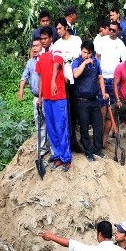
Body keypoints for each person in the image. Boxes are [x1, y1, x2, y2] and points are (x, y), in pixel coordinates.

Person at [36, 26, 72, 172]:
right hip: (47, 99)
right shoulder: (40, 56)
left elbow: (57, 65)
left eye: (46, 38)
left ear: (51, 38)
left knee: (61, 127)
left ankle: (66, 158)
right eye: (41, 39)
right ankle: (57, 156)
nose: (43, 41)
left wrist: (52, 81)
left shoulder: (56, 49)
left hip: (58, 97)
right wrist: (40, 97)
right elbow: (39, 77)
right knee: (51, 129)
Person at [72, 40, 107, 161]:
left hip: (94, 99)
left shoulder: (96, 63)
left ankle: (97, 149)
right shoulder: (77, 62)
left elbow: (100, 78)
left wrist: (103, 92)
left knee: (98, 126)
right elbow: (75, 74)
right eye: (83, 52)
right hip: (82, 101)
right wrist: (85, 62)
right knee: (84, 127)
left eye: (87, 53)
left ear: (92, 52)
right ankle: (88, 151)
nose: (85, 54)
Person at [53, 18, 84, 154]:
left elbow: (81, 57)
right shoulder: (57, 44)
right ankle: (70, 141)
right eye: (57, 29)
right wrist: (62, 77)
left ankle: (79, 139)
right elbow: (56, 65)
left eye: (60, 28)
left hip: (77, 80)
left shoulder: (76, 40)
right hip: (64, 82)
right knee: (67, 111)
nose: (58, 31)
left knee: (77, 111)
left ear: (66, 27)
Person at [96, 21, 126, 149]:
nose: (111, 31)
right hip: (102, 79)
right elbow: (97, 57)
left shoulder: (120, 44)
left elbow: (125, 62)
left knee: (112, 110)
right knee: (101, 109)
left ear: (118, 31)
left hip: (115, 80)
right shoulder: (102, 41)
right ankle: (99, 136)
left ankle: (104, 138)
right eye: (110, 29)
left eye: (114, 30)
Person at [19, 38, 51, 159]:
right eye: (33, 46)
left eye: (37, 45)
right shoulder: (30, 62)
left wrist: (42, 97)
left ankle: (53, 148)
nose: (35, 48)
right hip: (35, 97)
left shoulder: (46, 60)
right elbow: (24, 76)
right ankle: (42, 148)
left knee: (49, 122)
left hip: (46, 97)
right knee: (39, 123)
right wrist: (21, 89)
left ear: (42, 47)